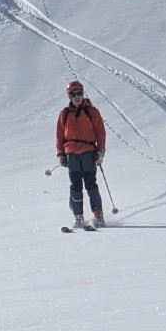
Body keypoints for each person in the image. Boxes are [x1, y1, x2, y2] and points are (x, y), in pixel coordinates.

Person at [56, 80, 106, 228]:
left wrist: (100, 151)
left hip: (88, 152)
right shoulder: (64, 114)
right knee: (75, 186)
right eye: (73, 94)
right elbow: (59, 135)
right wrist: (60, 154)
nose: (77, 97)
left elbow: (100, 132)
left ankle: (98, 216)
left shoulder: (92, 112)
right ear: (69, 96)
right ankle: (78, 217)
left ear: (83, 94)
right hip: (71, 153)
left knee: (91, 185)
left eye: (79, 93)